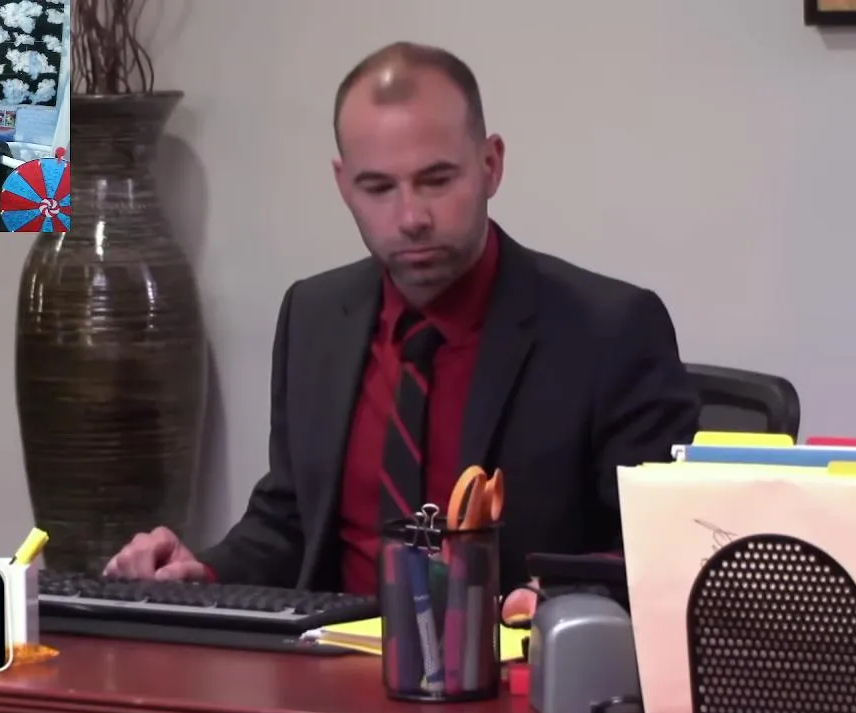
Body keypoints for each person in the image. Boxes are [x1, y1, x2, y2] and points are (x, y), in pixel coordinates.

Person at [103, 42, 701, 619]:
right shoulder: (314, 316)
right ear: (344, 185)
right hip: (327, 665)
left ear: (490, 165)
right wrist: (200, 573)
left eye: (437, 180)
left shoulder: (608, 331)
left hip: (510, 664)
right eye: (379, 188)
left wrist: (562, 599)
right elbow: (290, 522)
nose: (411, 217)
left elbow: (658, 551)